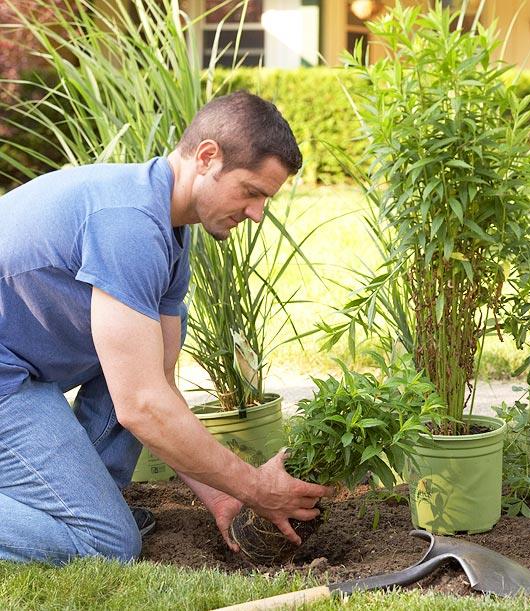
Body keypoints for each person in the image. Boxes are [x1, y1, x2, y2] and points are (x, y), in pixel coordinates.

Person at [0, 91, 332, 564]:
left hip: (19, 368)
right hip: (6, 377)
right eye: (252, 191)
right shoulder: (129, 226)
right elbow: (140, 406)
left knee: (141, 369)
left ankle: (82, 505)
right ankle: (80, 517)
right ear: (207, 157)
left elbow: (159, 385)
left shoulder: (169, 231)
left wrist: (221, 495)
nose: (257, 213)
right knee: (107, 544)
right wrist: (255, 487)